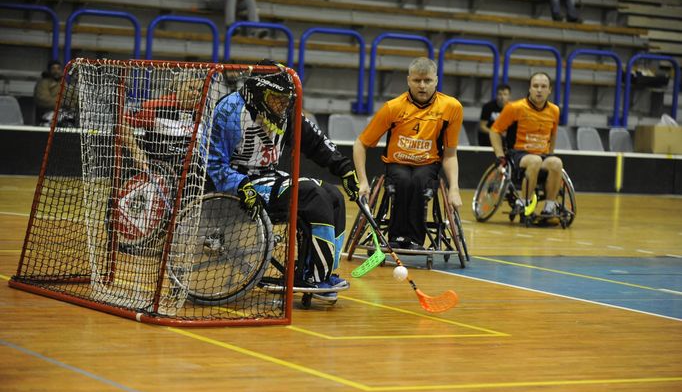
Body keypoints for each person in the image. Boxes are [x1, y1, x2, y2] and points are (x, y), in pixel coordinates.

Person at [207, 64, 359, 300]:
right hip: (238, 184)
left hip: (268, 177)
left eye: (286, 99)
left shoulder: (286, 112)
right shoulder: (229, 111)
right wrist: (239, 185)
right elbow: (213, 163)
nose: (283, 104)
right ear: (258, 93)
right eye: (276, 98)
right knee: (312, 194)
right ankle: (313, 277)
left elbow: (318, 144)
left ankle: (322, 273)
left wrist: (345, 169)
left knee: (332, 194)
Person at [353, 57, 463, 251]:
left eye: (427, 80)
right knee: (403, 181)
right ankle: (397, 237)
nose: (422, 85)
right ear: (408, 80)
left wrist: (454, 188)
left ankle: (414, 240)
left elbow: (450, 154)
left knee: (420, 182)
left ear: (436, 80)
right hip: (397, 163)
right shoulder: (393, 107)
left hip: (428, 164)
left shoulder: (451, 107)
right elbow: (360, 144)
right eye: (417, 80)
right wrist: (362, 181)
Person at [489, 71, 563, 222]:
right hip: (518, 154)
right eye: (535, 86)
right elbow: (495, 131)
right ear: (529, 89)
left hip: (542, 155)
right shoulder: (514, 108)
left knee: (556, 163)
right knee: (534, 160)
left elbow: (553, 134)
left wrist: (551, 153)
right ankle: (523, 201)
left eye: (544, 86)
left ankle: (550, 206)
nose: (539, 90)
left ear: (549, 90)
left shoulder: (554, 110)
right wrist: (499, 156)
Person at [121, 71, 204, 172]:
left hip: (192, 172)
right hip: (159, 170)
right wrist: (135, 151)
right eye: (191, 88)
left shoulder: (203, 111)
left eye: (200, 90)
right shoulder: (157, 107)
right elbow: (122, 123)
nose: (196, 93)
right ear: (179, 86)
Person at [34, 60, 67, 126]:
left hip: (64, 114)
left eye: (58, 68)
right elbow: (43, 100)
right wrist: (62, 102)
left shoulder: (65, 83)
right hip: (46, 114)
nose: (56, 71)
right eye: (53, 68)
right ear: (49, 70)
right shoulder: (43, 83)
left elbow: (73, 100)